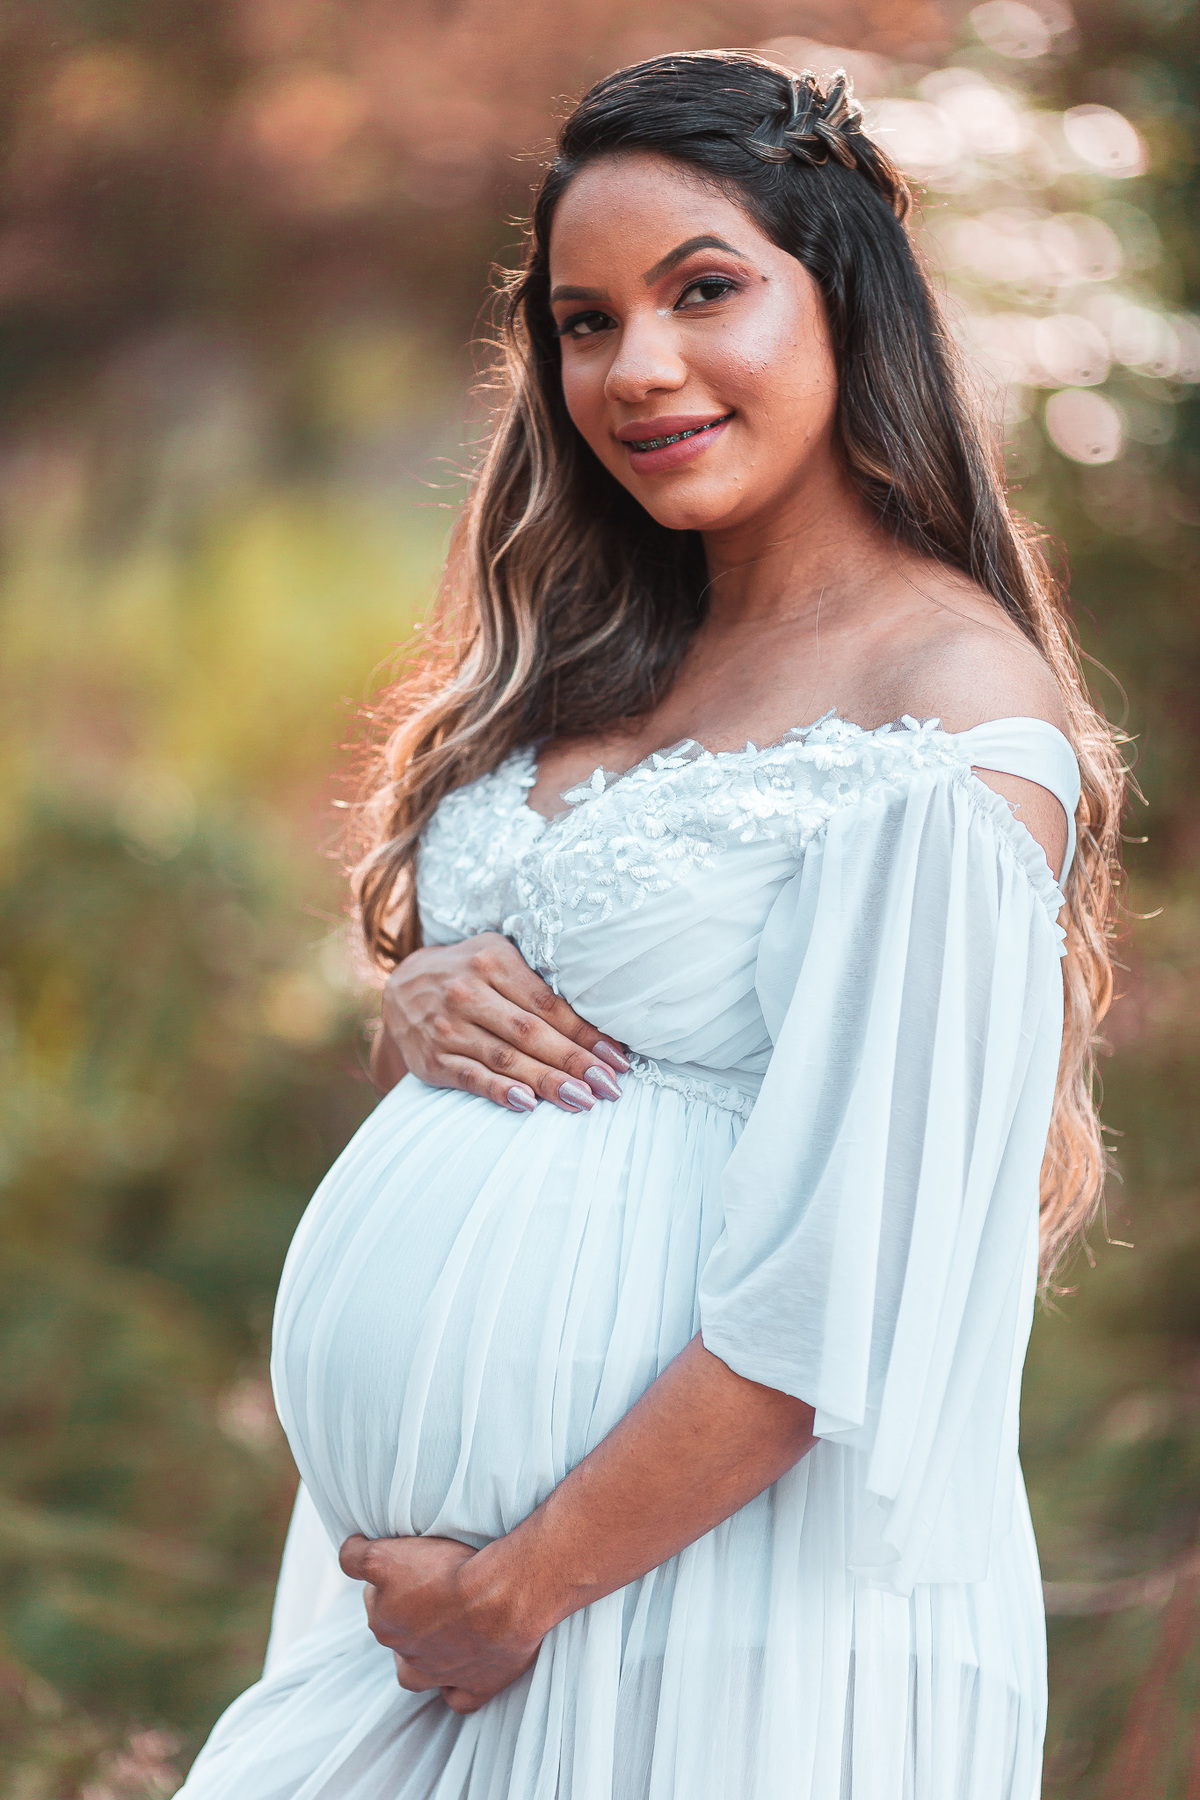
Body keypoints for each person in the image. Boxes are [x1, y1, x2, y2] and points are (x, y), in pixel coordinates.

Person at [178, 50, 1126, 1800]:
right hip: (459, 1626)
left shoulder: (953, 716)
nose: (641, 367)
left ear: (845, 299)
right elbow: (577, 1031)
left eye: (707, 291)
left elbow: (848, 1287)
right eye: (586, 319)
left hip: (695, 1615)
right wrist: (423, 1003)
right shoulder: (599, 651)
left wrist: (512, 1592)